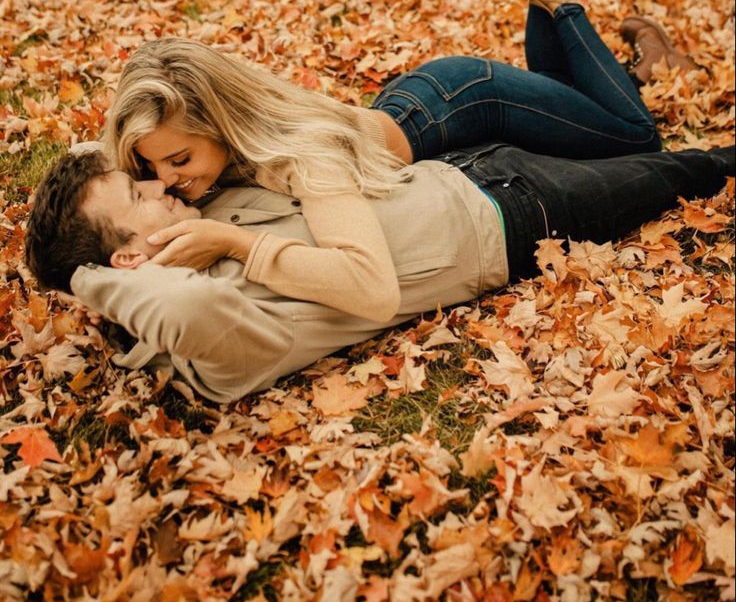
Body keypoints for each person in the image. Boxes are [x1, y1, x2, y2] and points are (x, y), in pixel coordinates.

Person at [101, 0, 699, 322]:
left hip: (466, 102)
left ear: (216, 123)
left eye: (176, 160)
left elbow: (367, 282)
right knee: (567, 110)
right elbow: (94, 183)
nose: (167, 182)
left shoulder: (296, 154)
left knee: (634, 137)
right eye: (151, 172)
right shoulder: (213, 147)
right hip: (421, 112)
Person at [24, 141, 734, 403]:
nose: (158, 186)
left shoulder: (195, 217)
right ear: (124, 262)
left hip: (461, 165)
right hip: (508, 221)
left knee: (636, 138)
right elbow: (182, 312)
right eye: (139, 195)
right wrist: (85, 282)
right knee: (688, 170)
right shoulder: (215, 344)